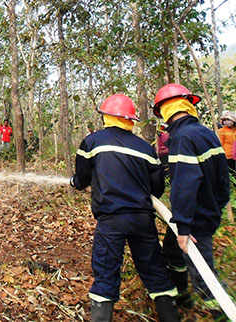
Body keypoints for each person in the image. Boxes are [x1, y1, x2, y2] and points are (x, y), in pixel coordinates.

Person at [70, 94, 179, 322]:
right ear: (131, 120)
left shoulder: (93, 142)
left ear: (106, 116)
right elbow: (156, 188)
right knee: (155, 272)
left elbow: (82, 177)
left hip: (111, 221)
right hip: (142, 219)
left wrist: (76, 182)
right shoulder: (145, 148)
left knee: (106, 272)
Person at [152, 84, 231, 321]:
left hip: (194, 219)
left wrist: (185, 227)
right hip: (205, 213)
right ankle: (181, 296)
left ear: (164, 111)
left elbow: (185, 185)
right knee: (172, 253)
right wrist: (216, 208)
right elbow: (223, 177)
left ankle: (221, 311)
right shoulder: (205, 133)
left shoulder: (182, 138)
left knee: (203, 272)